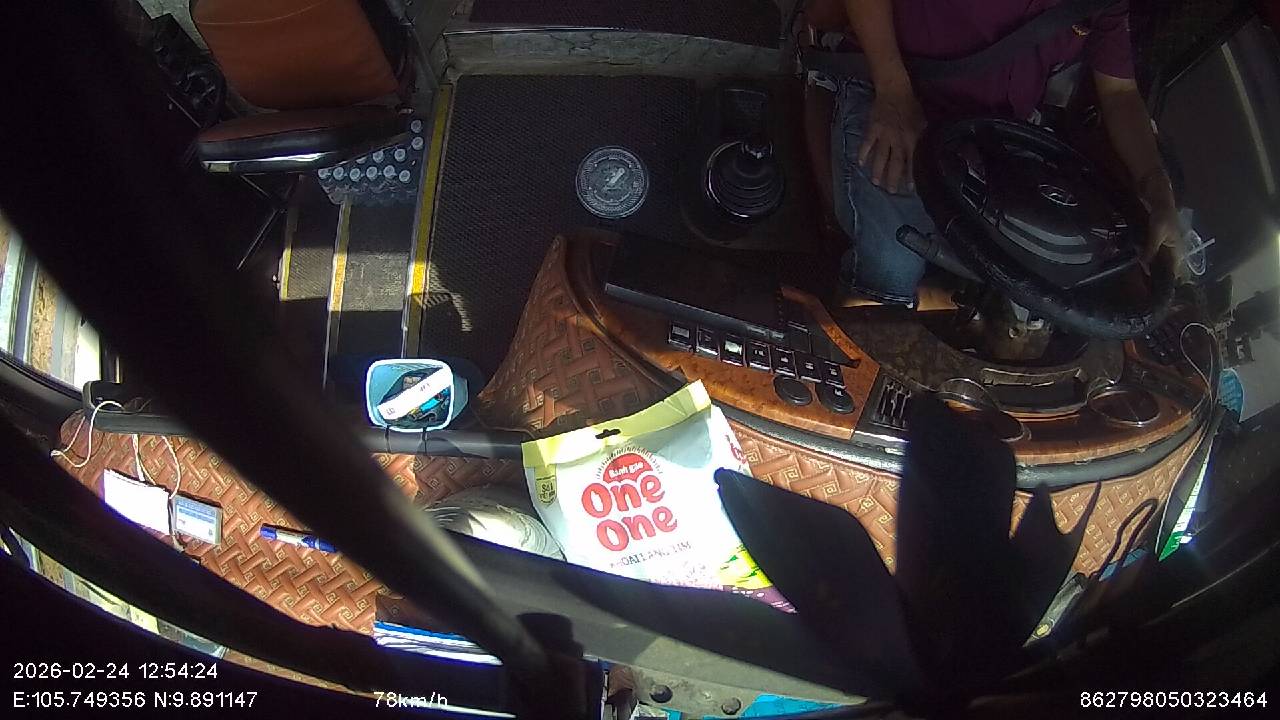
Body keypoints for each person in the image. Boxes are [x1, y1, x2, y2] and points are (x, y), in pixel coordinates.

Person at [831, 0, 1180, 305]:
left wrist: (1157, 188)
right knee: (893, 266)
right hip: (895, 93)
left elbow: (1119, 94)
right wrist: (893, 91)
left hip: (993, 137)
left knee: (1044, 282)